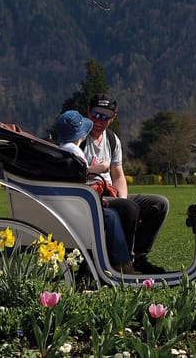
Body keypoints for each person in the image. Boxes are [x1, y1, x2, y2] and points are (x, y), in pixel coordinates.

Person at [81, 94, 170, 274]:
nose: (99, 120)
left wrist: (121, 199)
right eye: (96, 114)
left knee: (159, 204)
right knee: (128, 207)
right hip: (89, 196)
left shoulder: (112, 140)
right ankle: (123, 263)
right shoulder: (79, 138)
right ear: (88, 111)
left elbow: (118, 175)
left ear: (113, 117)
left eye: (105, 116)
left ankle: (139, 258)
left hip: (109, 193)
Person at [55, 110, 137, 274]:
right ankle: (122, 264)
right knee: (111, 217)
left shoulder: (62, 150)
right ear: (81, 135)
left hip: (67, 201)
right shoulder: (74, 153)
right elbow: (80, 182)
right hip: (78, 205)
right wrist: (100, 169)